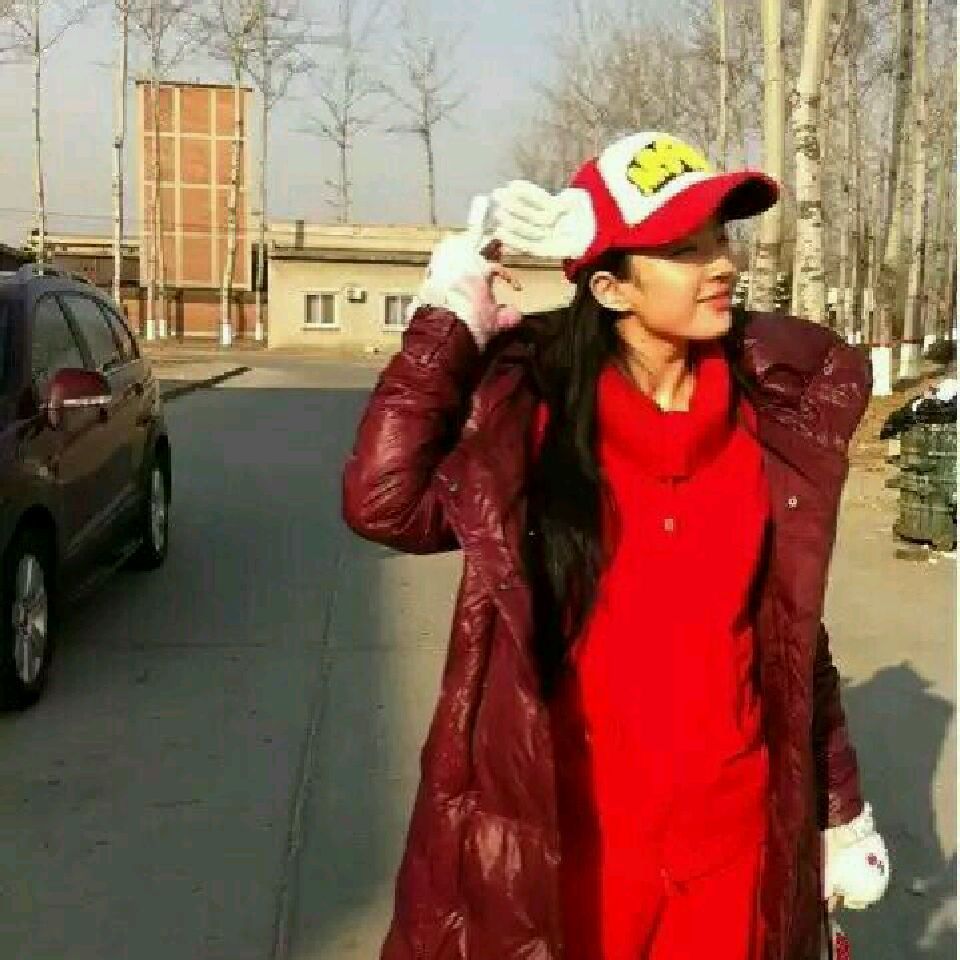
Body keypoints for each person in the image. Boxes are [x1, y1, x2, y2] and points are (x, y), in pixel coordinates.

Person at [342, 131, 890, 960]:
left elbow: (791, 636)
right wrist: (448, 323)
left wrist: (838, 809)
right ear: (610, 287)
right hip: (576, 859)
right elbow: (383, 502)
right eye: (683, 248)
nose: (722, 264)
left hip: (731, 852)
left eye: (720, 238)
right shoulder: (531, 426)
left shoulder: (764, 427)